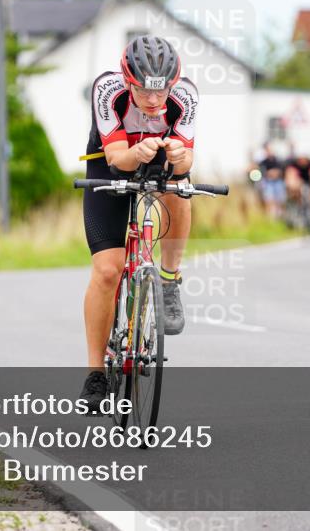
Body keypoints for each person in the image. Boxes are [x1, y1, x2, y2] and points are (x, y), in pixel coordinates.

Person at [78, 35, 197, 410]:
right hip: (109, 162)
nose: (153, 101)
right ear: (128, 81)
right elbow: (116, 159)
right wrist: (135, 151)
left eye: (162, 92)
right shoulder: (108, 88)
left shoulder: (186, 97)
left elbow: (187, 163)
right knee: (108, 271)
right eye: (144, 91)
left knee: (181, 189)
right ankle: (96, 373)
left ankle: (168, 281)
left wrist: (178, 157)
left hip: (158, 161)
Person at [284, 144, 310, 234]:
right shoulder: (292, 164)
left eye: (304, 159)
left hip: (308, 180)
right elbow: (290, 177)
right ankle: (294, 211)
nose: (303, 161)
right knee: (294, 188)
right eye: (301, 159)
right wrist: (293, 186)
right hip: (297, 179)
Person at [256, 142, 286, 217]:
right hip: (268, 182)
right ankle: (271, 214)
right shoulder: (263, 162)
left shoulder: (278, 160)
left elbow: (281, 171)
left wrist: (274, 173)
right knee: (269, 198)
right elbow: (262, 173)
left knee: (280, 198)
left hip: (278, 181)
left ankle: (280, 213)